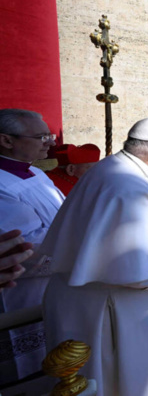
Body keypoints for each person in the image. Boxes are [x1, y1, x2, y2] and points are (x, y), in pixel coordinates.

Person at [40, 117, 148, 395]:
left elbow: (112, 238)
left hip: (90, 303)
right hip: (121, 314)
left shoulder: (111, 170)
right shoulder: (128, 187)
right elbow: (145, 272)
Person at [0, 108, 64, 384]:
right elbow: (25, 246)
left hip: (55, 288)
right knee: (30, 376)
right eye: (41, 136)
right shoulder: (2, 184)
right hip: (22, 296)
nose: (50, 142)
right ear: (6, 140)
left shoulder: (37, 174)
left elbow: (66, 216)